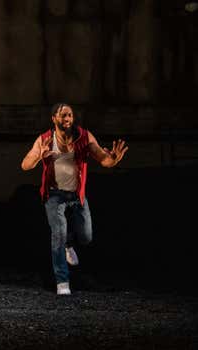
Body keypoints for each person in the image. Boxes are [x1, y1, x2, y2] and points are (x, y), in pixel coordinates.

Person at [20, 103, 128, 295]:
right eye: (63, 116)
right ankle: (62, 281)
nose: (67, 119)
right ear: (54, 119)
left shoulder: (84, 137)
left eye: (69, 115)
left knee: (86, 237)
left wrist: (113, 159)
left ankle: (70, 243)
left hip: (77, 195)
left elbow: (104, 160)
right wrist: (39, 157)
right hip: (54, 195)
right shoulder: (45, 139)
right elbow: (25, 164)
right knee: (58, 236)